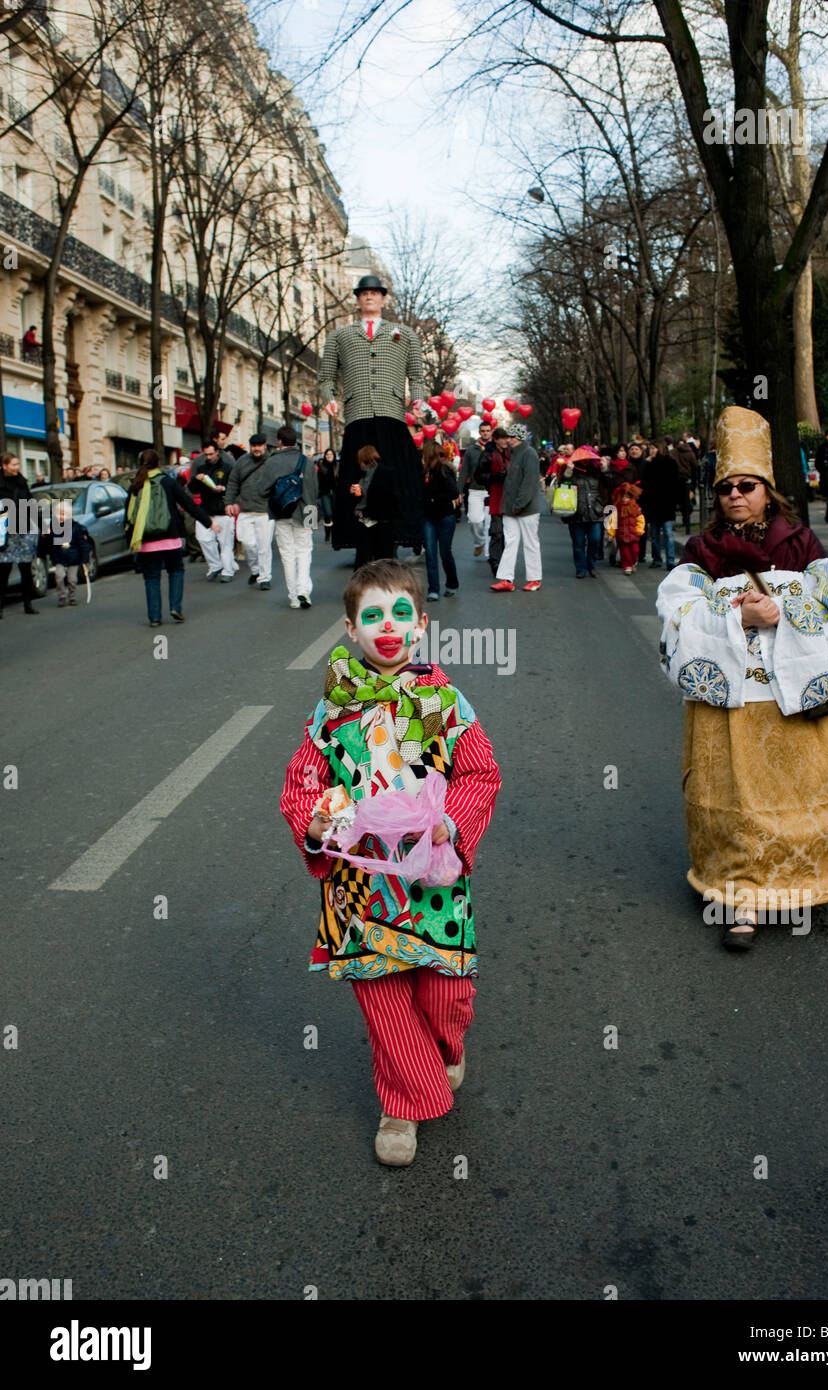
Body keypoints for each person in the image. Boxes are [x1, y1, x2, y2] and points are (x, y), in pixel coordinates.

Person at [280, 558, 501, 1166]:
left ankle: (447, 1047)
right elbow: (301, 783)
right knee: (382, 997)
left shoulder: (443, 700)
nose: (387, 626)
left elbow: (480, 772)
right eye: (371, 615)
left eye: (400, 614)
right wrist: (314, 822)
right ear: (350, 629)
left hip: (432, 877)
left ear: (422, 625)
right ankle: (400, 1105)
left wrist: (451, 824)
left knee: (444, 994)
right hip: (359, 883)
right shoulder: (333, 711)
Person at [656, 406, 828, 950]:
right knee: (733, 801)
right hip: (731, 707)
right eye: (725, 488)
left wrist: (787, 613)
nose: (735, 495)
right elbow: (677, 615)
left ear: (768, 490)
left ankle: (799, 881)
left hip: (790, 702)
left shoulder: (801, 544)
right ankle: (738, 897)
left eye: (747, 485)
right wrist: (737, 617)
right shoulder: (701, 552)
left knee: (805, 790)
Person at [319, 274, 426, 556]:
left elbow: (416, 375)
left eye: (374, 292)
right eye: (364, 293)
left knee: (399, 475)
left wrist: (418, 402)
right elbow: (326, 377)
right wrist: (329, 400)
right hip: (358, 416)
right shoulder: (339, 336)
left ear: (383, 298)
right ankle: (359, 539)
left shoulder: (406, 334)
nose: (369, 296)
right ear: (357, 300)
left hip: (391, 415)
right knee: (355, 477)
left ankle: (399, 533)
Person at [125, 448, 220, 626]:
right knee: (176, 571)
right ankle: (175, 607)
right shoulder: (168, 483)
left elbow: (129, 516)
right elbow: (189, 504)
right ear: (158, 464)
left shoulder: (135, 485)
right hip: (170, 538)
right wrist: (209, 523)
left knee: (152, 578)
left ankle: (154, 617)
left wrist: (130, 541)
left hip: (146, 542)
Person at [491, 422, 543, 592]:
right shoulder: (515, 454)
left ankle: (534, 578)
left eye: (511, 437)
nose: (508, 440)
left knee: (530, 543)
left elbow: (528, 483)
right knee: (512, 542)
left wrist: (518, 504)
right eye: (507, 437)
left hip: (524, 508)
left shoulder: (529, 454)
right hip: (512, 508)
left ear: (518, 438)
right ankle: (506, 578)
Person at [270, 424, 318, 610]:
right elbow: (313, 491)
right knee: (304, 552)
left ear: (279, 442)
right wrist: (312, 519)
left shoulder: (273, 462)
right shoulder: (307, 462)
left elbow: (263, 487)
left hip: (281, 513)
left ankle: (293, 596)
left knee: (287, 554)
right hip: (305, 511)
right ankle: (303, 590)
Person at [224, 434, 277, 589]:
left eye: (260, 445)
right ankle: (255, 570)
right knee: (248, 543)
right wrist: (229, 502)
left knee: (264, 546)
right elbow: (233, 482)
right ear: (250, 446)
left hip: (265, 511)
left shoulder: (272, 462)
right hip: (245, 510)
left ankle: (265, 578)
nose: (257, 449)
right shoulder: (242, 462)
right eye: (254, 446)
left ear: (265, 445)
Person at [0, 453, 40, 617]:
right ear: (4, 465)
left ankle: (28, 603)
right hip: (5, 531)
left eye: (17, 464)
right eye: (13, 465)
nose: (16, 467)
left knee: (25, 570)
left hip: (23, 528)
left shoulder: (22, 483)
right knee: (3, 571)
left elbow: (30, 503)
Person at [191, 441, 237, 582]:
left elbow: (234, 487)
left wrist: (222, 489)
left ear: (217, 452)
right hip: (206, 510)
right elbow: (193, 489)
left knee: (225, 543)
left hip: (223, 509)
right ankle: (215, 565)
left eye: (211, 454)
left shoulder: (228, 468)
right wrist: (197, 480)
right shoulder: (201, 468)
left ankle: (228, 571)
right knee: (203, 538)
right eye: (206, 454)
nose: (209, 457)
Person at [421, 437, 460, 600]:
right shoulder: (422, 472)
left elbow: (453, 492)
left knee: (445, 553)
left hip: (445, 517)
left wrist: (434, 498)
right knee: (430, 554)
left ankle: (452, 583)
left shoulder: (443, 471)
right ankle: (433, 589)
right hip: (428, 518)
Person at [560, 444, 604, 579]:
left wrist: (605, 469)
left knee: (595, 540)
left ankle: (592, 565)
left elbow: (608, 483)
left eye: (588, 458)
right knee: (578, 543)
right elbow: (563, 486)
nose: (585, 460)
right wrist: (568, 472)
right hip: (576, 512)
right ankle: (581, 568)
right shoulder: (571, 471)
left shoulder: (597, 472)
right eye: (582, 458)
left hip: (594, 512)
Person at [39, 499, 90, 606]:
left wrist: (85, 559)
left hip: (73, 558)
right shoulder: (52, 528)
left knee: (72, 579)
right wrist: (45, 536)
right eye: (58, 514)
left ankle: (72, 595)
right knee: (59, 576)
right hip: (59, 557)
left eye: (64, 515)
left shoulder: (76, 528)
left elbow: (83, 545)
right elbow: (48, 543)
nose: (61, 517)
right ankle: (62, 596)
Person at [642, 439, 680, 568]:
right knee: (654, 535)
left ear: (660, 449)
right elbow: (645, 484)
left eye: (653, 448)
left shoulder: (670, 463)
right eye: (650, 449)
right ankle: (657, 559)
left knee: (668, 534)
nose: (651, 451)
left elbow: (675, 484)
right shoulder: (648, 464)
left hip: (666, 504)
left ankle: (670, 560)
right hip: (653, 505)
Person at [458, 421, 492, 558]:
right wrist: (459, 491)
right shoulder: (471, 450)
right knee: (474, 520)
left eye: (488, 430)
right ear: (479, 432)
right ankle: (479, 542)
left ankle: (491, 556)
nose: (485, 433)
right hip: (474, 490)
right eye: (483, 430)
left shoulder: (495, 448)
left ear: (491, 431)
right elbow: (464, 471)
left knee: (490, 525)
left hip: (491, 491)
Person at [486, 427, 509, 576]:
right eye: (501, 438)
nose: (505, 440)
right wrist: (496, 477)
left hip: (509, 497)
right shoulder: (488, 455)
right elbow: (480, 476)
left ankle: (503, 561)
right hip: (496, 495)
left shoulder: (510, 454)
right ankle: (495, 561)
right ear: (495, 440)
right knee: (497, 532)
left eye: (506, 437)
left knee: (507, 533)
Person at [317, 448, 338, 540]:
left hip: (336, 493)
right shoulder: (321, 467)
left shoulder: (338, 466)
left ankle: (334, 533)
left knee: (334, 514)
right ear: (325, 456)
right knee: (328, 513)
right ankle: (327, 533)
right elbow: (318, 481)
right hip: (325, 493)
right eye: (327, 454)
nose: (329, 456)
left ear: (334, 456)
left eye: (331, 454)